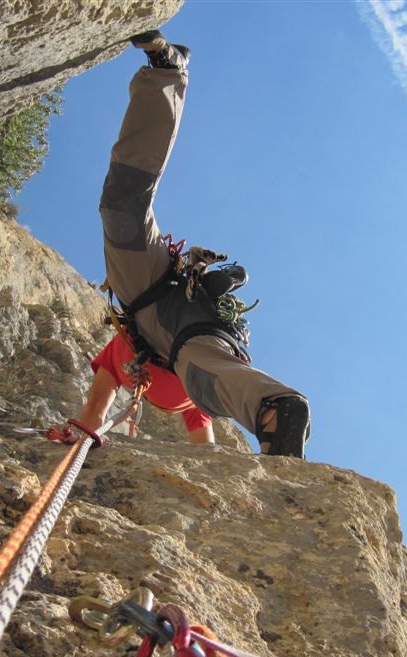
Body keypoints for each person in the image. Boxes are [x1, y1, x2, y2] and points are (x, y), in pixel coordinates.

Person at [97, 30, 311, 457]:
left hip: (151, 298)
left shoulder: (127, 359)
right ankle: (274, 408)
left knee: (121, 211)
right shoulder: (191, 393)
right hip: (181, 326)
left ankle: (276, 408)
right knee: (203, 373)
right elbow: (205, 448)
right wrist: (88, 431)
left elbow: (98, 400)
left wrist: (87, 432)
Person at [75, 332, 215, 444]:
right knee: (198, 405)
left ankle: (85, 445)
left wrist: (87, 437)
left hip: (129, 348)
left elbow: (95, 407)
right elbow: (206, 447)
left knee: (96, 406)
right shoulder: (195, 392)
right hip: (181, 385)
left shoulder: (117, 350)